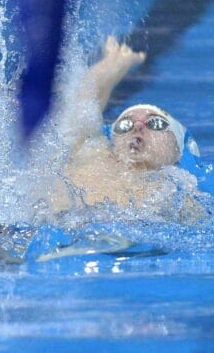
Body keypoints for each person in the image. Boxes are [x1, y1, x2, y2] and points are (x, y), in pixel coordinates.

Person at [48, 36, 203, 219]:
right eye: (124, 125)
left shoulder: (178, 189)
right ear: (113, 141)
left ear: (178, 152)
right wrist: (111, 65)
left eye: (156, 123)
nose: (137, 126)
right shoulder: (94, 155)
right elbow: (83, 105)